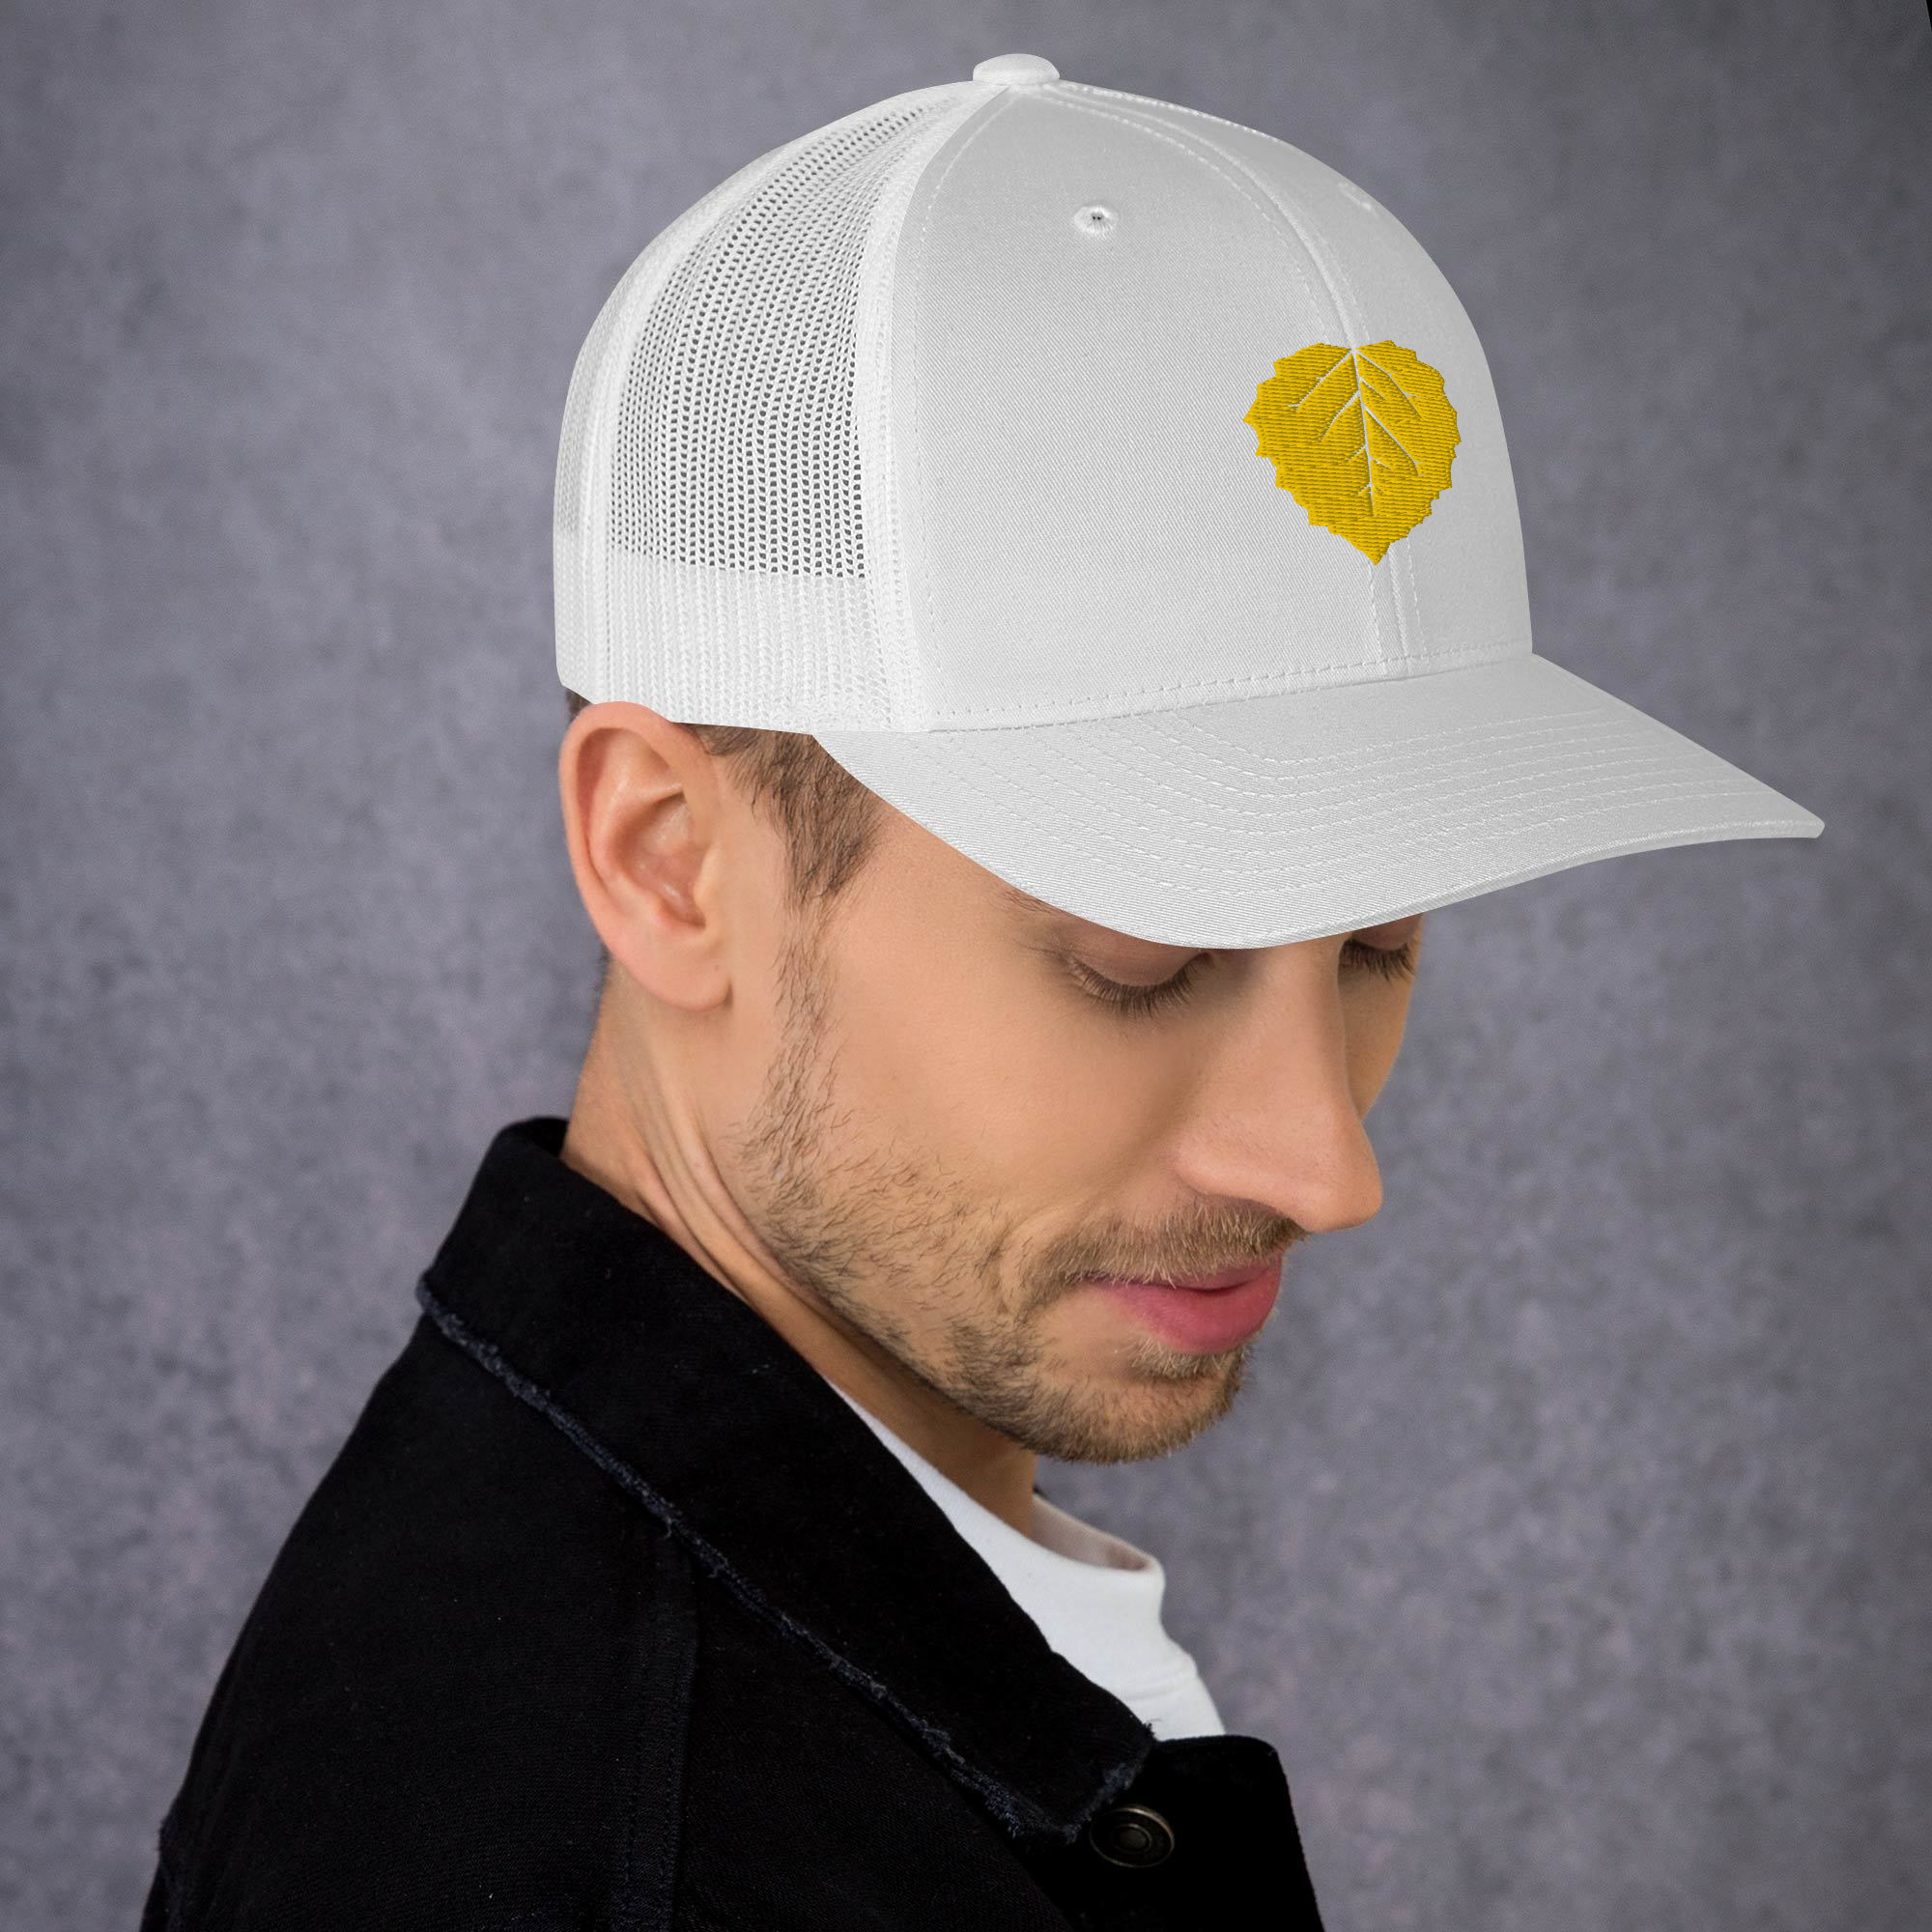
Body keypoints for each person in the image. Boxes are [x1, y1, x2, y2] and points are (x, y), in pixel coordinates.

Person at [139, 51, 1822, 1932]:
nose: (1326, 1165)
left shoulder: (779, 1653)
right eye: (1139, 958)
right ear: (667, 857)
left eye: (1378, 944)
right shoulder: (609, 1858)